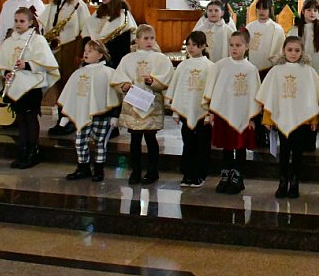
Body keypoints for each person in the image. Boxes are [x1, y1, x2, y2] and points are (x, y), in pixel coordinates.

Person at [256, 36, 319, 198]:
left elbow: (313, 98)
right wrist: (268, 119)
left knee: (297, 152)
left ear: (302, 51)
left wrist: (313, 120)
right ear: (283, 50)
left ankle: (295, 182)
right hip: (282, 117)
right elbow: (270, 97)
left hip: (301, 120)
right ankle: (282, 182)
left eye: (297, 50)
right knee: (284, 152)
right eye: (289, 50)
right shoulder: (276, 71)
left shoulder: (308, 71)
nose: (293, 53)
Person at [0, 7, 59, 169]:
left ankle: (33, 151)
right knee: (20, 119)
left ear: (30, 22)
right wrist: (6, 73)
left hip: (31, 86)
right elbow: (3, 62)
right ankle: (23, 149)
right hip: (15, 85)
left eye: (22, 21)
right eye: (16, 20)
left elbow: (48, 63)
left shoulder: (37, 40)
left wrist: (27, 64)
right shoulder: (9, 41)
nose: (18, 24)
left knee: (30, 118)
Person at [111, 24, 174, 185]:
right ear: (137, 40)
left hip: (151, 102)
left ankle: (153, 171)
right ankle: (136, 171)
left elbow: (167, 78)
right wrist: (123, 85)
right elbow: (119, 77)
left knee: (151, 138)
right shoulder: (128, 58)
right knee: (135, 139)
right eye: (145, 38)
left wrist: (153, 81)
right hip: (134, 103)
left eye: (152, 38)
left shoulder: (160, 58)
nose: (149, 41)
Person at [203, 30, 261, 195]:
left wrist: (252, 117)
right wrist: (213, 112)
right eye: (231, 45)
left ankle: (238, 175)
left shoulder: (251, 69)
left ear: (247, 46)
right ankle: (226, 173)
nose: (234, 49)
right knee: (227, 145)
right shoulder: (221, 65)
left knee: (240, 145)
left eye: (238, 45)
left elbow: (254, 95)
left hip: (243, 113)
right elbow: (215, 88)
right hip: (224, 112)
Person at [59, 40, 121, 182]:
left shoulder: (109, 73)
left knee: (100, 142)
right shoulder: (78, 73)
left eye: (90, 51)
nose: (86, 53)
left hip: (102, 116)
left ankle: (99, 170)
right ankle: (83, 167)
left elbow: (114, 96)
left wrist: (114, 116)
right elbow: (71, 96)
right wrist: (66, 116)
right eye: (85, 50)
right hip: (83, 114)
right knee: (80, 142)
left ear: (100, 55)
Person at [41, 0, 92, 136]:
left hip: (71, 48)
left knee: (69, 85)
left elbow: (85, 31)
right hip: (54, 48)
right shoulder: (53, 5)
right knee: (58, 84)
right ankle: (60, 118)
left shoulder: (78, 5)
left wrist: (80, 53)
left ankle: (70, 119)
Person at [165, 31, 215, 188]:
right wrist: (176, 111)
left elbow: (212, 91)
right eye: (189, 44)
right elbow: (178, 89)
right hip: (186, 111)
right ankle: (187, 173)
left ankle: (200, 174)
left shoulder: (210, 66)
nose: (191, 48)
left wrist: (210, 113)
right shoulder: (183, 65)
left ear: (203, 46)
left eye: (195, 45)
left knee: (202, 144)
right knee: (188, 143)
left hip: (203, 113)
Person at [246, 0, 285, 146]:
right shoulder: (250, 27)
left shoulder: (276, 28)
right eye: (259, 8)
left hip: (268, 71)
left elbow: (279, 51)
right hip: (252, 70)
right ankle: (257, 134)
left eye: (265, 8)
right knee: (254, 101)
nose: (262, 11)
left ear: (270, 10)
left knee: (267, 103)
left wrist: (273, 66)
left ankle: (269, 134)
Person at [85, 0, 137, 69]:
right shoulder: (99, 11)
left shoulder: (123, 14)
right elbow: (88, 29)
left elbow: (126, 39)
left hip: (115, 54)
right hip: (97, 51)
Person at [288, 0, 319, 78]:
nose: (312, 13)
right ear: (303, 11)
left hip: (318, 64)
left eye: (315, 10)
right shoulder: (295, 29)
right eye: (309, 10)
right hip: (300, 65)